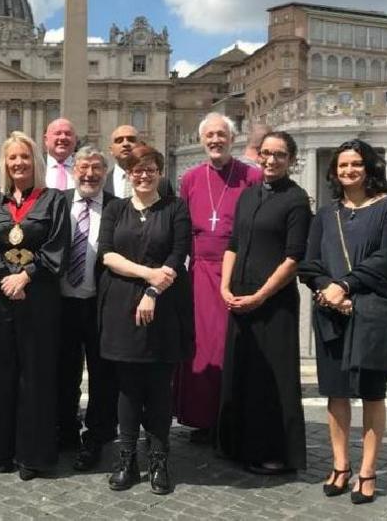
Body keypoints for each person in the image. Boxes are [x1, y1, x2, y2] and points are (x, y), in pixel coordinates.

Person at [299, 139, 387, 506]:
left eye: (356, 164)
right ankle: (341, 465)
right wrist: (326, 288)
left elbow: (386, 258)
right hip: (329, 309)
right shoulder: (326, 214)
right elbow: (309, 263)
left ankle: (368, 470)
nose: (348, 171)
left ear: (369, 167)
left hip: (371, 311)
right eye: (342, 165)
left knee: (373, 394)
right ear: (334, 172)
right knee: (336, 391)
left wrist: (344, 285)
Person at [97, 144, 192, 495]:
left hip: (164, 307)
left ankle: (158, 457)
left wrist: (153, 291)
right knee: (127, 387)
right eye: (137, 169)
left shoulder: (176, 208)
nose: (144, 174)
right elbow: (107, 254)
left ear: (159, 172)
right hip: (121, 306)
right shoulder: (115, 209)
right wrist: (147, 275)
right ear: (128, 173)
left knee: (158, 386)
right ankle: (126, 457)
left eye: (150, 168)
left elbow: (179, 253)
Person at [0, 131, 70, 481]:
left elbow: (58, 245)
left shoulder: (54, 200)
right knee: (0, 372)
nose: (19, 163)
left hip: (38, 297)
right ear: (5, 164)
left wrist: (25, 276)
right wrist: (5, 278)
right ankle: (2, 448)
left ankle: (33, 453)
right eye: (13, 158)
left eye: (25, 157)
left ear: (36, 162)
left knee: (36, 375)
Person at [216, 131, 311, 475]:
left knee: (272, 380)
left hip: (273, 302)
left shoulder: (297, 200)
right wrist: (225, 286)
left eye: (280, 155)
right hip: (240, 295)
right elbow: (233, 244)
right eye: (266, 153)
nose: (271, 161)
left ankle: (274, 451)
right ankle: (236, 443)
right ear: (258, 155)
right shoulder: (248, 195)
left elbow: (293, 258)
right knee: (242, 371)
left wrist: (260, 295)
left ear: (291, 160)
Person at [173, 112, 261, 443]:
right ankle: (203, 419)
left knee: (230, 348)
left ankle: (232, 418)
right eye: (209, 135)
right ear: (201, 141)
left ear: (232, 139)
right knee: (201, 349)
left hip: (236, 273)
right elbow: (182, 229)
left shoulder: (250, 177)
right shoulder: (191, 179)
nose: (215, 140)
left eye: (221, 135)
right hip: (198, 274)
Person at [57, 146, 118, 469]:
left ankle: (97, 435)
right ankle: (65, 430)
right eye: (83, 167)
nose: (89, 174)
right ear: (73, 170)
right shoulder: (58, 202)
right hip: (63, 303)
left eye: (96, 168)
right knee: (64, 372)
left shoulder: (117, 208)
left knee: (102, 375)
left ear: (105, 173)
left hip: (101, 304)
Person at [104, 125, 174, 199]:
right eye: (119, 140)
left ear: (141, 145)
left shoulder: (162, 185)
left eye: (131, 139)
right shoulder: (102, 184)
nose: (125, 144)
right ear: (111, 150)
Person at [43, 118, 77, 190]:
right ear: (46, 140)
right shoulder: (35, 166)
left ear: (75, 139)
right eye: (57, 133)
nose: (63, 137)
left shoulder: (84, 168)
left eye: (68, 134)